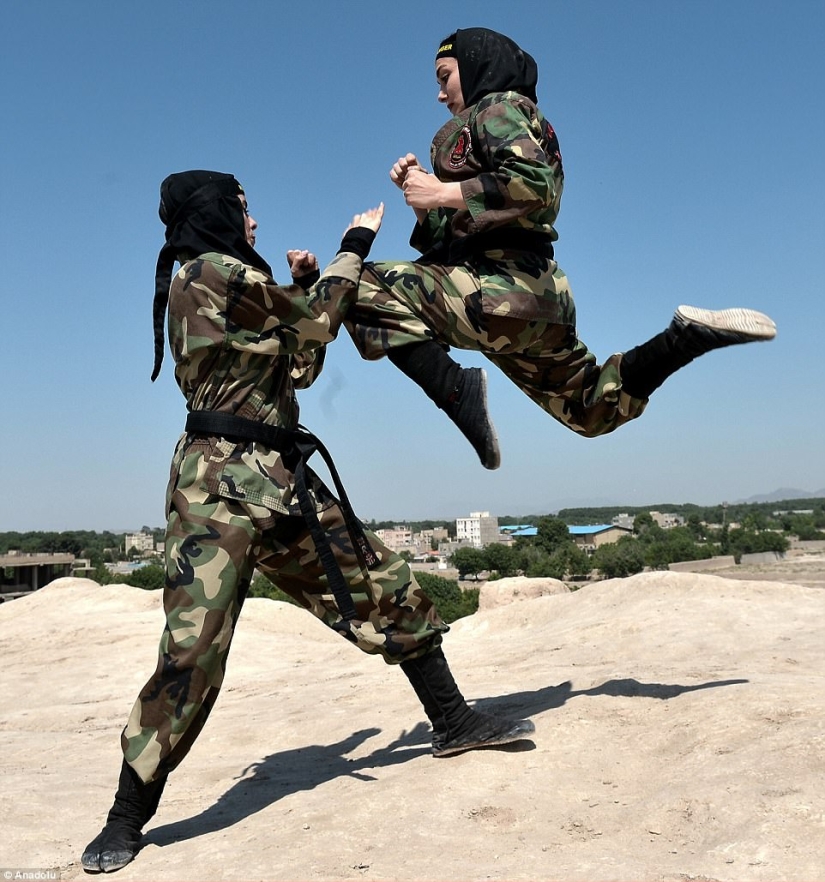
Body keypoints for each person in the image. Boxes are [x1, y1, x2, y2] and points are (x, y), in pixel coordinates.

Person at [80, 170, 534, 874]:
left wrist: (310, 280)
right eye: (243, 208)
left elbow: (301, 364)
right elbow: (319, 320)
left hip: (279, 479)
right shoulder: (206, 272)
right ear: (214, 214)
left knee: (385, 585)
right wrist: (352, 247)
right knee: (191, 653)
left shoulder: (235, 282)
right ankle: (124, 818)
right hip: (216, 491)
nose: (253, 221)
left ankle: (452, 721)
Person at [345, 27, 776, 470]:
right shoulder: (511, 122)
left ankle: (457, 393)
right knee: (592, 408)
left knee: (353, 286)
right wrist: (421, 202)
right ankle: (683, 340)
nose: (440, 94)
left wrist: (439, 193)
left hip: (498, 290)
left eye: (444, 77)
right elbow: (456, 236)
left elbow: (534, 185)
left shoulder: (495, 108)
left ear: (476, 67)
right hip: (535, 299)